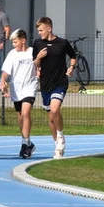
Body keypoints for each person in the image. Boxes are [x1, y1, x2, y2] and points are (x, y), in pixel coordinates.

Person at [32, 17, 77, 158]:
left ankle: (60, 136)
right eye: (38, 30)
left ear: (49, 28)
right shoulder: (38, 43)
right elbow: (35, 64)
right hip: (45, 84)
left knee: (55, 109)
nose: (39, 33)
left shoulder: (62, 43)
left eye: (41, 30)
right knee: (51, 117)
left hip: (60, 82)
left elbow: (73, 56)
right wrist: (38, 57)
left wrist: (71, 67)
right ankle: (57, 143)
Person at [0, 28, 39, 158]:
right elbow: (6, 71)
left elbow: (39, 65)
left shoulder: (33, 52)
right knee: (21, 117)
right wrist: (3, 81)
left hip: (30, 87)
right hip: (17, 89)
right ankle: (28, 143)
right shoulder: (12, 54)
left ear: (23, 40)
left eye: (15, 42)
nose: (14, 44)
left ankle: (24, 144)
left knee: (26, 112)